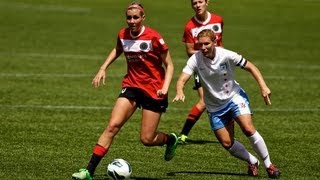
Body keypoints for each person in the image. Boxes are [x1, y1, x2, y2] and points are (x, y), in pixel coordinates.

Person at [72, 2, 178, 180]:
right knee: (112, 126)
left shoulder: (153, 37)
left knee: (147, 139)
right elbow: (118, 49)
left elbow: (170, 64)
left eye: (136, 17)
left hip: (154, 89)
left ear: (143, 18)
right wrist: (103, 67)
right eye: (129, 17)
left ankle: (170, 139)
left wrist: (165, 87)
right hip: (132, 85)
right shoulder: (123, 34)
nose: (132, 20)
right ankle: (88, 171)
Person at [173, 29, 281, 178]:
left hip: (234, 97)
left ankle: (269, 165)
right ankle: (252, 161)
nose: (203, 48)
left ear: (214, 42)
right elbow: (182, 79)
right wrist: (180, 90)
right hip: (214, 107)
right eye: (200, 44)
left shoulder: (227, 55)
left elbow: (251, 67)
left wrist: (263, 87)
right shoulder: (195, 59)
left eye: (206, 44)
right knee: (227, 143)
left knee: (248, 129)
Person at [179, 0, 224, 143]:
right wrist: (206, 52)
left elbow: (220, 44)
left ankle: (228, 133)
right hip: (202, 68)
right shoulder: (189, 26)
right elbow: (189, 51)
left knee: (225, 98)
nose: (197, 5)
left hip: (220, 66)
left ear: (207, 2)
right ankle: (183, 135)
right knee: (204, 101)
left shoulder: (218, 20)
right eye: (194, 3)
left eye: (200, 2)